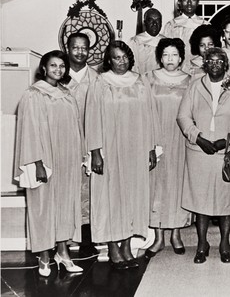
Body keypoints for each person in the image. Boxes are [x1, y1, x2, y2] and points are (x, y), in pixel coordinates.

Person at [85, 40, 160, 270]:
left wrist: (151, 148)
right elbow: (92, 118)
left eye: (125, 56)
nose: (121, 61)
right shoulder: (100, 82)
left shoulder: (140, 81)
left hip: (136, 149)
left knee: (131, 197)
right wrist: (96, 151)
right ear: (109, 60)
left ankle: (127, 245)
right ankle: (113, 248)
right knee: (110, 198)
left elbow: (150, 115)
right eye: (116, 57)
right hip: (110, 149)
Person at [177, 47, 230, 264]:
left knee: (225, 200)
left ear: (226, 64)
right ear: (204, 63)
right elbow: (183, 117)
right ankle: (202, 244)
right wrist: (198, 138)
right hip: (199, 151)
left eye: (220, 61)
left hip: (225, 152)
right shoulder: (194, 86)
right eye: (210, 60)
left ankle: (225, 243)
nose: (215, 64)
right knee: (201, 200)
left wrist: (228, 141)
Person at [14, 50, 83, 277]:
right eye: (53, 66)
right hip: (45, 159)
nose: (58, 70)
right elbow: (30, 131)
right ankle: (44, 255)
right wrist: (38, 163)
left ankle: (63, 253)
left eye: (61, 66)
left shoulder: (67, 93)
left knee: (64, 206)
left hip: (67, 159)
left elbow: (75, 127)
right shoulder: (33, 94)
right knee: (43, 207)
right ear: (44, 68)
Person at [144, 38, 192, 258]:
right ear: (160, 57)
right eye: (166, 55)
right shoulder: (148, 79)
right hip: (157, 137)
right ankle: (159, 236)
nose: (170, 59)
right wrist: (150, 141)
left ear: (181, 57)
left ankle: (176, 234)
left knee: (179, 185)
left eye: (174, 55)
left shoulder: (191, 81)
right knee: (158, 186)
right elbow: (143, 111)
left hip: (182, 139)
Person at [65, 32, 100, 257]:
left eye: (84, 48)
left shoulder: (97, 78)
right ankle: (67, 235)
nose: (80, 52)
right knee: (67, 188)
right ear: (67, 48)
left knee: (89, 189)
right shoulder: (57, 76)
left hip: (90, 140)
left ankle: (88, 235)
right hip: (65, 141)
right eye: (75, 47)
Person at [163, 0, 208, 64]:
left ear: (198, 2)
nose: (189, 3)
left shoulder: (205, 25)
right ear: (180, 2)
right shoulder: (172, 25)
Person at [128, 8, 166, 75]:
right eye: (151, 20)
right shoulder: (135, 41)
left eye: (158, 20)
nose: (154, 24)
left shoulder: (167, 42)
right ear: (145, 23)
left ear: (161, 23)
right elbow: (133, 68)